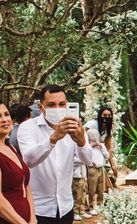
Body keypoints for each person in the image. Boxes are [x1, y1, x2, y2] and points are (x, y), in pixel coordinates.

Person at [17, 85, 92, 224]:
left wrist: (81, 142)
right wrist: (53, 138)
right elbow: (28, 160)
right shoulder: (27, 127)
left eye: (62, 104)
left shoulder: (75, 127)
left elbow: (88, 160)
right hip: (38, 209)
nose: (57, 109)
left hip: (66, 207)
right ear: (41, 107)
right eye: (51, 105)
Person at [84, 107, 118, 181]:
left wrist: (113, 165)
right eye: (104, 115)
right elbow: (82, 139)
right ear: (100, 115)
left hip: (97, 156)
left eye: (109, 116)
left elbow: (108, 148)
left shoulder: (108, 131)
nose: (107, 117)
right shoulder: (91, 124)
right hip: (86, 153)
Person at [85, 129, 107, 216]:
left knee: (101, 189)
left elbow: (107, 156)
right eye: (92, 136)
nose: (95, 137)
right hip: (92, 168)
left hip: (101, 168)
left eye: (96, 135)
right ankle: (91, 207)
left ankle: (100, 205)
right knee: (92, 189)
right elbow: (85, 156)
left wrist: (102, 148)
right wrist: (91, 146)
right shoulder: (87, 147)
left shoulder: (101, 145)